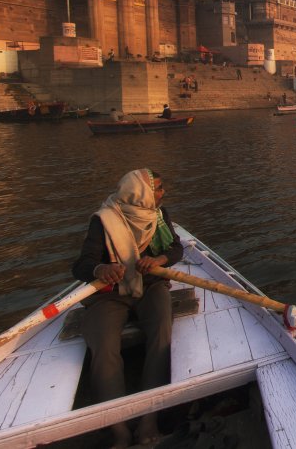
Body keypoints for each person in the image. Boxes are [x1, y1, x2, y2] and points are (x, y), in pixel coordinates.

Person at [71, 170, 183, 448]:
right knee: (103, 346)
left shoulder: (158, 215)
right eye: (158, 188)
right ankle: (118, 428)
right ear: (140, 193)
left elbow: (176, 249)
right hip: (110, 294)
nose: (163, 193)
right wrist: (102, 268)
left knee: (162, 335)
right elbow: (82, 265)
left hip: (151, 286)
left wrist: (158, 260)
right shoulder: (104, 220)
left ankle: (149, 418)